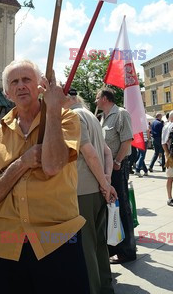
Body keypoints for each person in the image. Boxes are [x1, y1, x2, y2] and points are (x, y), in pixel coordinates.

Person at [0, 60, 90, 294]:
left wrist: (54, 110)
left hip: (57, 241)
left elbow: (52, 165)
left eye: (27, 79)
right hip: (6, 245)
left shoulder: (67, 119)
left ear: (40, 86)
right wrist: (22, 162)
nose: (20, 86)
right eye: (14, 82)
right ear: (7, 93)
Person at [64, 89, 117, 294]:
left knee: (86, 246)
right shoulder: (91, 116)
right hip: (96, 189)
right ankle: (105, 286)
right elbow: (107, 152)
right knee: (98, 243)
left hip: (82, 190)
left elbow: (90, 154)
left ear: (67, 98)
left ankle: (93, 289)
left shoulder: (73, 116)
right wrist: (107, 181)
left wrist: (105, 184)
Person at [95, 88, 136, 264]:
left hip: (118, 166)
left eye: (97, 97)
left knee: (122, 206)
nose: (95, 101)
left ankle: (127, 251)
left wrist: (118, 162)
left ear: (105, 98)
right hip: (108, 167)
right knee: (112, 207)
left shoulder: (121, 114)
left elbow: (127, 140)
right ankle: (114, 247)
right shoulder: (103, 117)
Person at [162, 110, 173, 206]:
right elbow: (163, 142)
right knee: (170, 176)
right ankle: (169, 198)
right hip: (170, 155)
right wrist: (168, 155)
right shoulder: (167, 126)